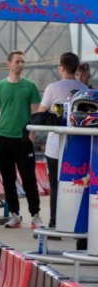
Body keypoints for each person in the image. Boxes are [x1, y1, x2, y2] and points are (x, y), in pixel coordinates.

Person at [0, 50, 43, 229]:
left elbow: (35, 115)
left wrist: (31, 137)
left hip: (23, 140)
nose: (21, 65)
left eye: (23, 62)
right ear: (9, 63)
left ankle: (35, 215)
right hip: (3, 140)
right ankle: (14, 214)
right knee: (8, 179)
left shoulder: (30, 86)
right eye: (18, 61)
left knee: (29, 179)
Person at [38, 52, 86, 229]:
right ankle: (76, 223)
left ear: (62, 68)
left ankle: (55, 222)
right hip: (78, 146)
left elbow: (41, 113)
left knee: (55, 184)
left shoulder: (53, 88)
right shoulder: (84, 89)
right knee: (77, 185)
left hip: (55, 146)